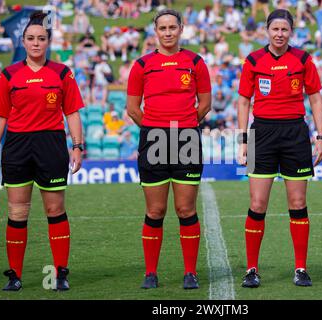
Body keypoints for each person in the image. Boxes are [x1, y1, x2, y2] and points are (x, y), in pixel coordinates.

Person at [0, 12, 84, 291]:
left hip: (51, 145)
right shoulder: (9, 75)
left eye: (41, 38)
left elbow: (73, 113)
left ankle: (60, 273)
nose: (36, 43)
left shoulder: (62, 73)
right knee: (17, 212)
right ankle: (14, 276)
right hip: (17, 146)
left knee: (55, 209)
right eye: (31, 38)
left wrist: (77, 146)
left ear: (48, 41)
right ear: (23, 41)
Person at [237, 9, 322, 288]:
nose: (279, 34)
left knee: (298, 204)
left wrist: (321, 137)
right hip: (261, 133)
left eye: (284, 30)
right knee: (257, 204)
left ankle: (301, 268)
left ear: (291, 31)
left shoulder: (303, 59)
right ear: (267, 30)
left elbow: (315, 98)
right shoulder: (253, 60)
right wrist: (242, 140)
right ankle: (252, 269)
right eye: (275, 29)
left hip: (295, 134)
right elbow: (243, 102)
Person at [127, 9, 211, 290]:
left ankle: (190, 273)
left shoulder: (195, 62)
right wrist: (154, 128)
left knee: (185, 209)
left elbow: (205, 104)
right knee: (156, 210)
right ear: (155, 31)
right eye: (162, 28)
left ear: (181, 29)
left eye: (172, 27)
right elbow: (132, 109)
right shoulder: (142, 65)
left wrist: (184, 126)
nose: (167, 32)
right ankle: (150, 273)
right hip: (153, 140)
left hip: (187, 138)